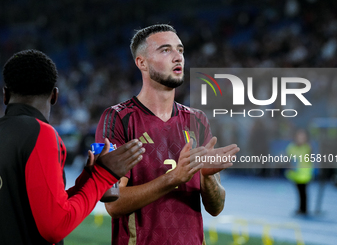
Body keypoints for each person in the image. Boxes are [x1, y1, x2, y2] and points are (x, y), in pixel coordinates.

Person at [95, 24, 240, 244]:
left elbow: (216, 208)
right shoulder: (117, 118)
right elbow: (113, 204)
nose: (177, 57)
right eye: (165, 50)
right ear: (141, 62)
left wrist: (208, 177)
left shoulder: (197, 119)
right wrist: (173, 178)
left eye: (180, 50)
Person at [0, 49, 145, 245]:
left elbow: (36, 206)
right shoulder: (41, 133)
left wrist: (88, 179)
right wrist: (104, 176)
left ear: (5, 95)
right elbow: (55, 227)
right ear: (54, 95)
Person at [285, 129, 313, 215]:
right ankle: (301, 208)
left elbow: (310, 159)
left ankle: (304, 209)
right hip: (295, 174)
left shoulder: (307, 147)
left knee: (303, 192)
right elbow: (288, 159)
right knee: (299, 192)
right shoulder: (291, 147)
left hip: (305, 174)